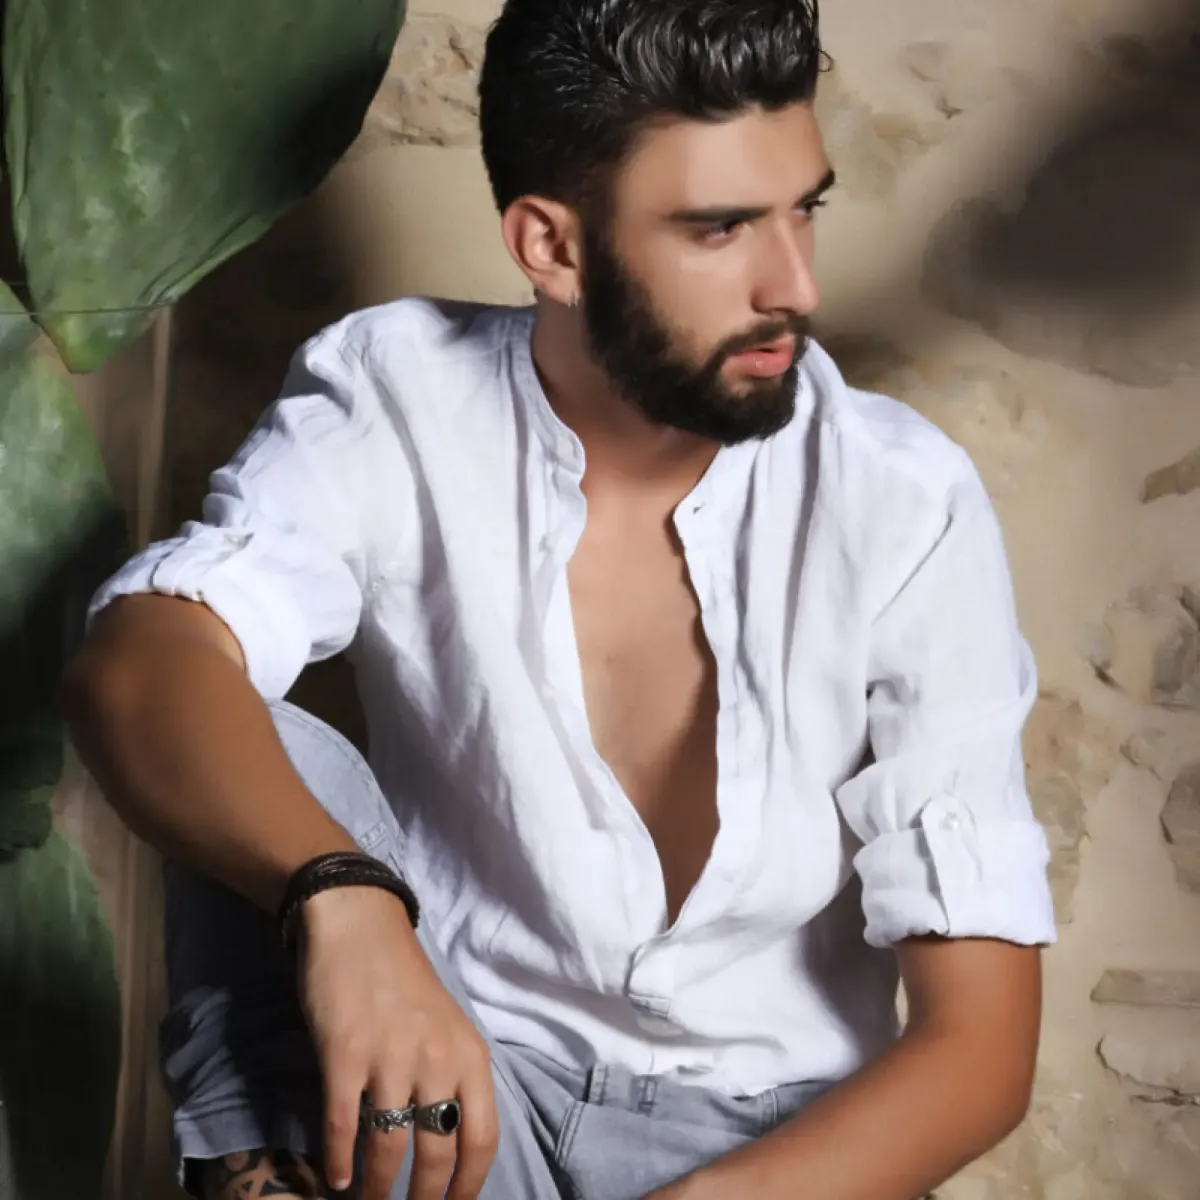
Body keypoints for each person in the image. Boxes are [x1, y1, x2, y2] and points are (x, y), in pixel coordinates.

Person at [61, 1, 1058, 1198]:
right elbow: (138, 663)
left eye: (805, 210)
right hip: (467, 1105)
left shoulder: (902, 499)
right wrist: (343, 901)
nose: (792, 283)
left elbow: (978, 1052)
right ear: (552, 246)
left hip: (783, 1155)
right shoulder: (402, 395)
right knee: (246, 737)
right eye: (721, 228)